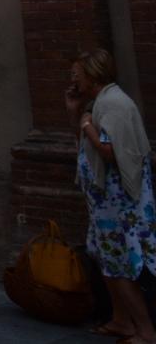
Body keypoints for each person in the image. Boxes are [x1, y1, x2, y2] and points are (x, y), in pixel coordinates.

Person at [67, 48, 155, 341]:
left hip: (121, 207)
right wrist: (75, 112)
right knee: (107, 262)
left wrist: (87, 125)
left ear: (93, 76)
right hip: (105, 204)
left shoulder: (114, 104)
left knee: (119, 266)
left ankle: (145, 331)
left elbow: (110, 153)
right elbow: (84, 147)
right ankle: (121, 321)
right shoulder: (99, 103)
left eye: (76, 76)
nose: (73, 81)